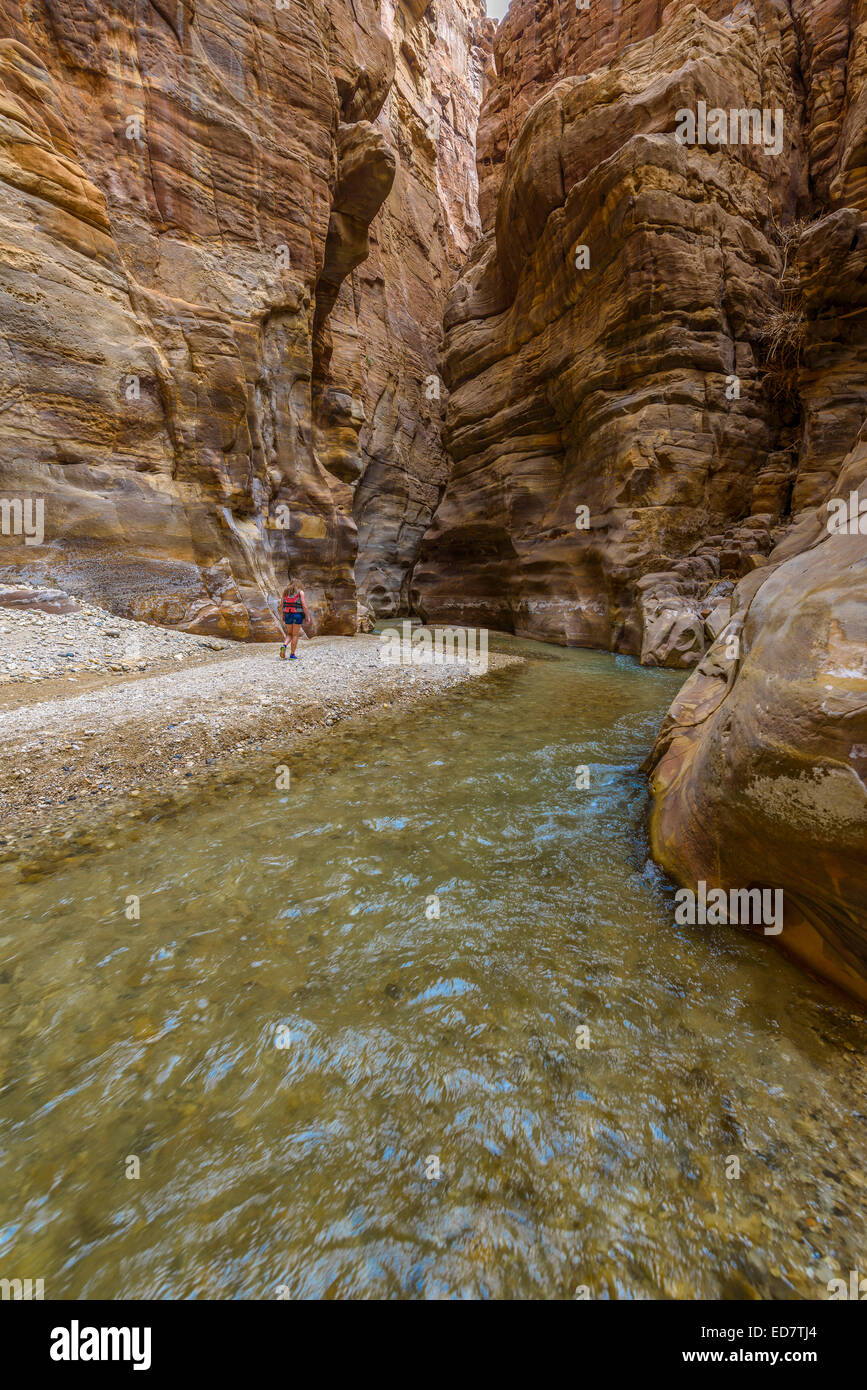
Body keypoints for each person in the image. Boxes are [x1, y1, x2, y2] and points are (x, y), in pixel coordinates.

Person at [280, 578, 312, 659]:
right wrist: (308, 616)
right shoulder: (300, 592)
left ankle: (284, 645)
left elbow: (281, 605)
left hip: (287, 614)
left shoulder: (285, 593)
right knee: (295, 635)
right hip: (297, 615)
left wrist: (282, 615)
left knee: (289, 634)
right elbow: (304, 605)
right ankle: (292, 655)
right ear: (298, 584)